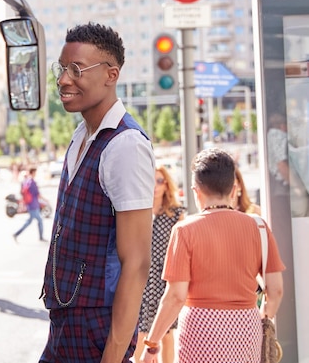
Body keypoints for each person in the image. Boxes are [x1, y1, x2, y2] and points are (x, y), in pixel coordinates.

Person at [40, 23, 155, 363]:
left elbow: (136, 263)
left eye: (76, 69)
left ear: (111, 74)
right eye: (61, 68)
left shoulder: (125, 145)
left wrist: (113, 356)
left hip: (97, 329)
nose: (63, 79)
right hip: (67, 320)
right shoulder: (81, 134)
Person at [141, 148, 285, 363]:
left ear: (195, 191)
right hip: (246, 328)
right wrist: (263, 317)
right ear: (233, 188)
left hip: (200, 330)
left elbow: (176, 297)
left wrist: (152, 344)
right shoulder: (259, 227)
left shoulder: (184, 230)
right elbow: (276, 290)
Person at [133, 166, 184, 363]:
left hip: (165, 282)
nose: (155, 186)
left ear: (166, 185)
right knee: (139, 335)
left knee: (167, 333)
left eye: (160, 181)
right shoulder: (137, 213)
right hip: (140, 282)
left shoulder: (176, 214)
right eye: (152, 180)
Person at [13, 166, 45, 242]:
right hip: (33, 204)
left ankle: (16, 234)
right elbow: (37, 194)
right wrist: (46, 200)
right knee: (39, 220)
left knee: (30, 221)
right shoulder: (32, 182)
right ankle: (40, 237)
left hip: (29, 203)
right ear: (33, 172)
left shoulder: (26, 181)